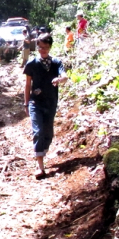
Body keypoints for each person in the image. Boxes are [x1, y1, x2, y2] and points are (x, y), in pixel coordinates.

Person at [23, 33, 68, 178]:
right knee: (38, 131)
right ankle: (40, 167)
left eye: (46, 47)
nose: (43, 50)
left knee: (48, 133)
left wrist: (60, 79)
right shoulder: (31, 64)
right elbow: (27, 85)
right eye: (41, 47)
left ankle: (42, 150)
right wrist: (26, 103)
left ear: (50, 47)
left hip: (51, 102)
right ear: (37, 47)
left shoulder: (56, 62)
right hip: (36, 102)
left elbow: (64, 75)